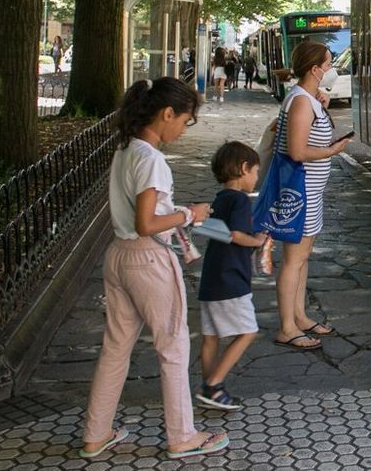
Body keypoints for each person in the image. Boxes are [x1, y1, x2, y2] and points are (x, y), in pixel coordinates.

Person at [81, 77, 229, 461]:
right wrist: (189, 214)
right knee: (174, 346)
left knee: (115, 348)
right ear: (167, 114)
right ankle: (183, 435)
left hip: (119, 256)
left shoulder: (126, 149)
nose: (183, 129)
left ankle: (96, 433)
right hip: (148, 258)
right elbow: (148, 222)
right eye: (184, 120)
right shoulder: (152, 160)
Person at [273, 41, 351, 350]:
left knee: (302, 258)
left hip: (310, 191)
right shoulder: (301, 101)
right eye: (329, 63)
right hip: (299, 191)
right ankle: (286, 326)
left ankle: (299, 317)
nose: (332, 69)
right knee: (293, 260)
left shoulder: (309, 99)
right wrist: (332, 151)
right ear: (315, 68)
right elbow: (297, 151)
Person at [196, 141, 269, 410]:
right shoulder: (239, 200)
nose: (256, 178)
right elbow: (237, 235)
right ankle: (214, 386)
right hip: (231, 281)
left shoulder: (220, 198)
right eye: (256, 172)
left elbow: (221, 231)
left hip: (211, 281)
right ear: (243, 168)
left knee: (210, 336)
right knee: (248, 331)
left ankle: (209, 387)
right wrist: (257, 241)